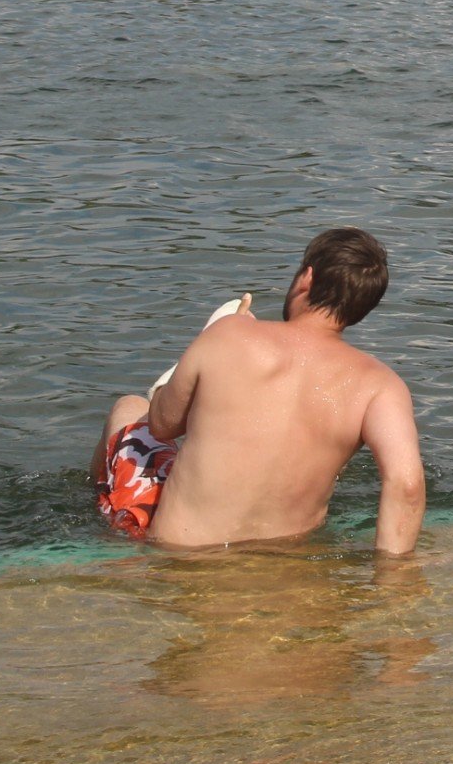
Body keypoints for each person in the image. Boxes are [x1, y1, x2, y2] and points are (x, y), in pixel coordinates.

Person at [92, 229, 423, 552]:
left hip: (182, 551)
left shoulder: (229, 334)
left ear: (307, 277)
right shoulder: (382, 385)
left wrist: (205, 339)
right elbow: (406, 486)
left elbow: (162, 424)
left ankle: (102, 530)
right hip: (287, 558)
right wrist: (391, 583)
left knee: (129, 407)